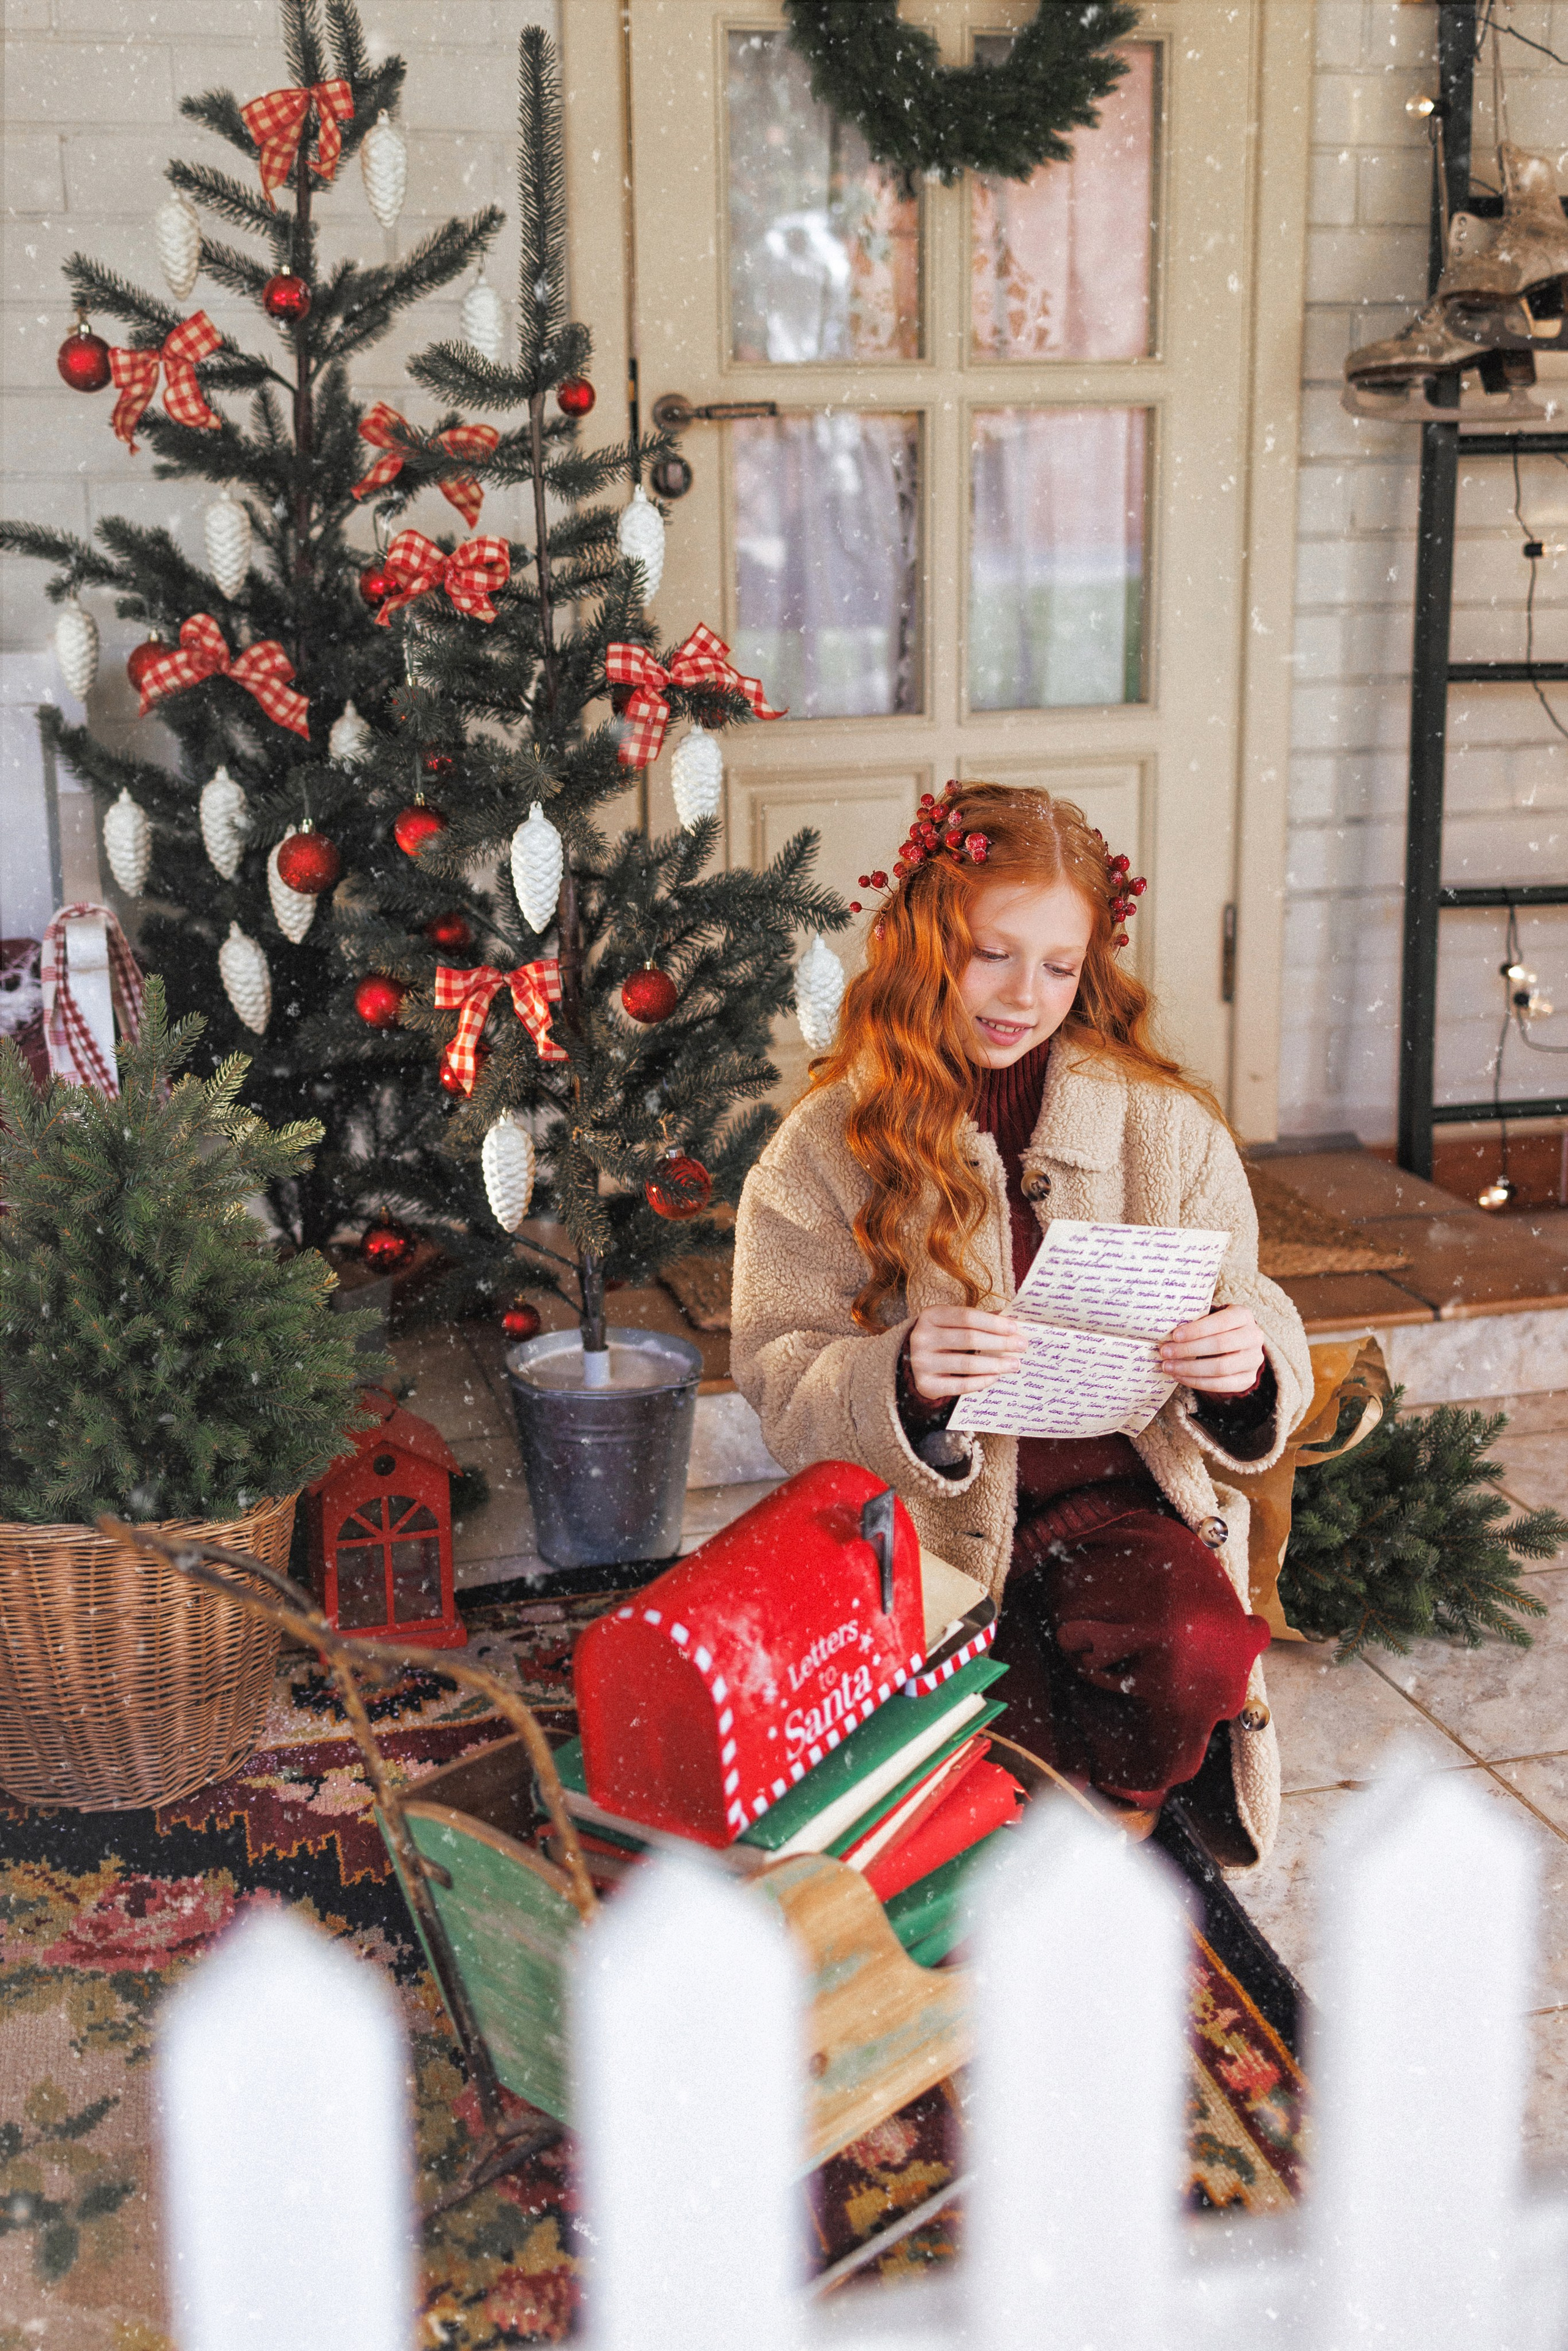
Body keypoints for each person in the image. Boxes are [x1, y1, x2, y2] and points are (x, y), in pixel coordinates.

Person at [731, 782, 1311, 1864]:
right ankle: (1051, 1819)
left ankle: (1123, 1817)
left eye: (1059, 965)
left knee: (1190, 1654)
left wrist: (1248, 1359)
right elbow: (777, 1372)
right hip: (926, 1533)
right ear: (921, 941)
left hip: (1114, 1510)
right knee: (962, 1779)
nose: (1022, 996)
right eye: (991, 953)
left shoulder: (1166, 1129)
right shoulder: (824, 1145)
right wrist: (897, 1376)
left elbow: (1259, 1302)